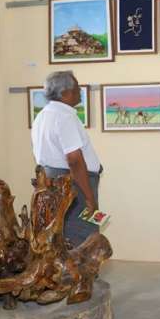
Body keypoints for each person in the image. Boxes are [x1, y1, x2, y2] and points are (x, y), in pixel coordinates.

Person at [31, 71, 102, 246]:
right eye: (76, 88)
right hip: (75, 183)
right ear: (65, 93)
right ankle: (79, 266)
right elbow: (74, 160)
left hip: (52, 179)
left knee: (61, 232)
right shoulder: (64, 117)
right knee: (84, 234)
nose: (80, 92)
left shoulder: (42, 115)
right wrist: (89, 197)